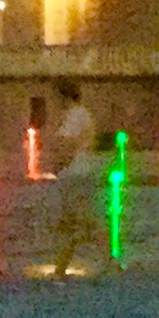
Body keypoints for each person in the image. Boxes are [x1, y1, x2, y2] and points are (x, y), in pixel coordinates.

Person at [43, 83, 101, 276]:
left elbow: (67, 145)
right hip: (81, 172)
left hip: (74, 173)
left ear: (64, 97)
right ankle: (111, 260)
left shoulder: (74, 116)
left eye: (55, 97)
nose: (54, 102)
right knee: (83, 221)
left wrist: (56, 166)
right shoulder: (82, 114)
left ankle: (60, 269)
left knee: (73, 222)